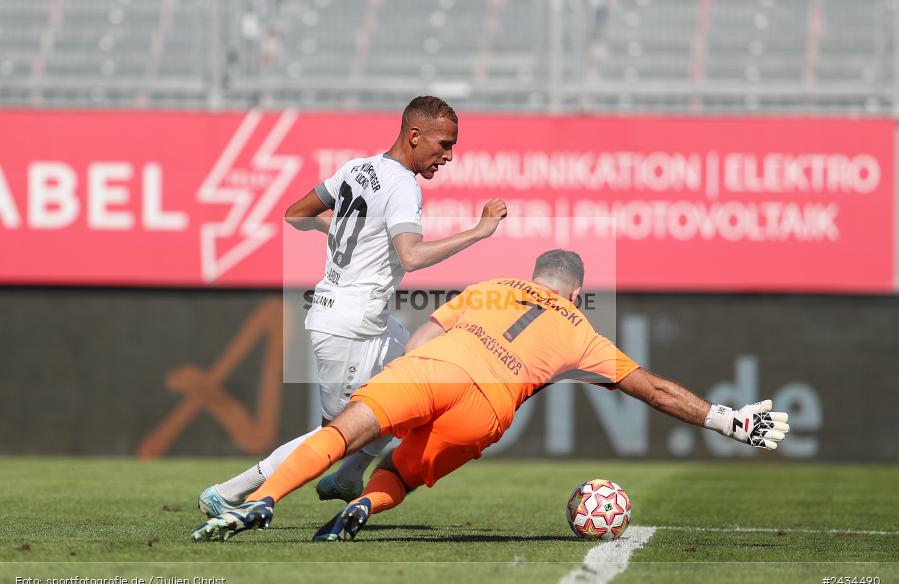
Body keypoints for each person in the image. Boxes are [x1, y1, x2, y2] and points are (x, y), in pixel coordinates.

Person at [192, 250, 789, 542]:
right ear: (577, 291)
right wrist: (727, 421)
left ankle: (261, 500)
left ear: (535, 275)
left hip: (433, 368)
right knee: (400, 472)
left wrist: (404, 381)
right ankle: (359, 510)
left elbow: (427, 331)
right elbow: (653, 390)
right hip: (486, 411)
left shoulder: (492, 286)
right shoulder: (580, 330)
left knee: (342, 434)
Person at [197, 96, 508, 517]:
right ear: (414, 135)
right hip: (348, 325)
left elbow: (296, 214)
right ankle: (231, 493)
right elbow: (412, 256)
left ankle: (348, 476)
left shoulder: (357, 168)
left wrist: (351, 231)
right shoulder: (402, 184)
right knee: (334, 434)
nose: (449, 155)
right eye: (444, 144)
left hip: (366, 321)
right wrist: (478, 231)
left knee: (414, 381)